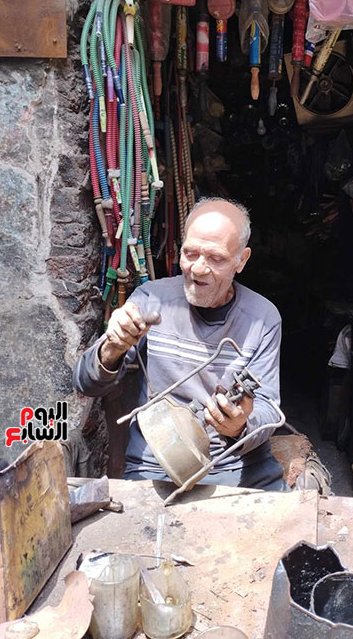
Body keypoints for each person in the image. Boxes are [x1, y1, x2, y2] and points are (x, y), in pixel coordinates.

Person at [73, 197, 287, 490]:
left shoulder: (262, 318)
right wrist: (112, 347)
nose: (198, 269)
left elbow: (267, 408)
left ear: (241, 260)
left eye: (216, 258)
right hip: (159, 464)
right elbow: (85, 384)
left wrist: (241, 427)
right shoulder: (151, 299)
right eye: (191, 253)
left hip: (237, 466)